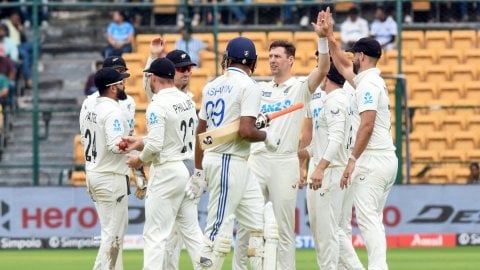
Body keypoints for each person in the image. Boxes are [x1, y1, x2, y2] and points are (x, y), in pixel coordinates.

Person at [232, 10, 330, 270]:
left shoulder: (300, 88)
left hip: (284, 161)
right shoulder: (258, 87)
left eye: (278, 57)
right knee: (246, 224)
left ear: (291, 61)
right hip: (257, 159)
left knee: (284, 228)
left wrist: (323, 39)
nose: (272, 61)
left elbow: (323, 69)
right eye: (270, 56)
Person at [188, 36, 280, 269]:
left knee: (260, 224)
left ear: (227, 59)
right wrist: (266, 136)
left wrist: (199, 171)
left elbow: (201, 133)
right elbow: (247, 130)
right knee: (217, 231)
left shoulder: (211, 85)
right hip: (228, 160)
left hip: (227, 160)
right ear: (253, 63)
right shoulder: (249, 86)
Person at [323, 7, 398, 270]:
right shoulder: (368, 79)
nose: (351, 58)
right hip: (384, 158)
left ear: (362, 56)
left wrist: (352, 159)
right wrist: (328, 35)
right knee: (372, 218)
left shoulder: (368, 85)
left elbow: (367, 125)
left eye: (354, 54)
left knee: (368, 220)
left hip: (373, 160)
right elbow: (342, 66)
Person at [123, 58, 204, 269]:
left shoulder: (157, 105)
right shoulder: (186, 100)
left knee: (154, 235)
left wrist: (139, 159)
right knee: (192, 232)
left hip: (168, 170)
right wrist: (141, 142)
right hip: (186, 167)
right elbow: (170, 138)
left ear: (153, 78)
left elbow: (157, 146)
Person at [298, 62, 365, 270]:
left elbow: (335, 140)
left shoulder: (334, 101)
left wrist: (319, 168)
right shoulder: (338, 99)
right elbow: (322, 142)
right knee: (333, 231)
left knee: (329, 233)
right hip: (335, 169)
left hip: (331, 172)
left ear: (326, 76)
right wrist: (301, 154)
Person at [79, 67, 130, 270]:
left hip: (94, 173)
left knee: (111, 233)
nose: (123, 85)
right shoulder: (112, 110)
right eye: (120, 82)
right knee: (112, 234)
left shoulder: (91, 107)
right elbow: (115, 145)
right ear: (112, 88)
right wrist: (139, 144)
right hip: (110, 177)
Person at [160, 48, 199, 270]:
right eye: (181, 69)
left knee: (179, 234)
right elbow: (150, 86)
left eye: (189, 68)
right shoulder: (164, 97)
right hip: (173, 169)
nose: (187, 73)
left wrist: (199, 173)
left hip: (186, 171)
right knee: (174, 235)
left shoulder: (190, 101)